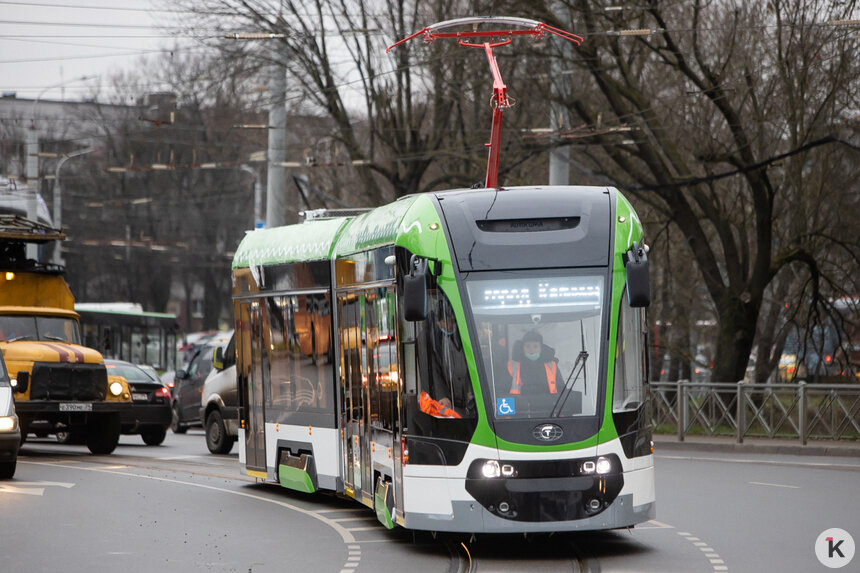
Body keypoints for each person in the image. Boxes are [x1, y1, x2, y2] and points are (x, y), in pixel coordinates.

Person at [417, 299, 472, 418]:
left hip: (464, 396)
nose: (450, 326)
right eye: (446, 322)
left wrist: (470, 390)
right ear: (438, 322)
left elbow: (469, 364)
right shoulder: (428, 337)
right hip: (445, 400)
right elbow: (429, 369)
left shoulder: (460, 335)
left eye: (452, 322)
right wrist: (441, 395)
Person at [508, 331, 559, 395]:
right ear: (522, 348)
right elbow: (502, 393)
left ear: (541, 348)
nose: (531, 350)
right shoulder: (512, 367)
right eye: (528, 346)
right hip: (520, 404)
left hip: (552, 404)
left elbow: (562, 391)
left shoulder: (552, 366)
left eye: (535, 346)